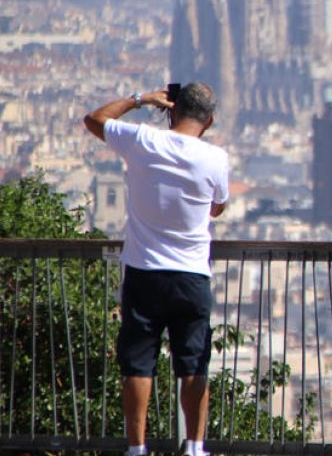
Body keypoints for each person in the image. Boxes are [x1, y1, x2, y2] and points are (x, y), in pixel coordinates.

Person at [83, 83, 229, 456]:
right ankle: (195, 446)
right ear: (209, 121)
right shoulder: (215, 159)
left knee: (137, 365)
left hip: (144, 271)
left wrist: (140, 99)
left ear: (172, 110)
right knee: (194, 363)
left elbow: (95, 119)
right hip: (192, 275)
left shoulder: (144, 141)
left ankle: (137, 447)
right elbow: (217, 206)